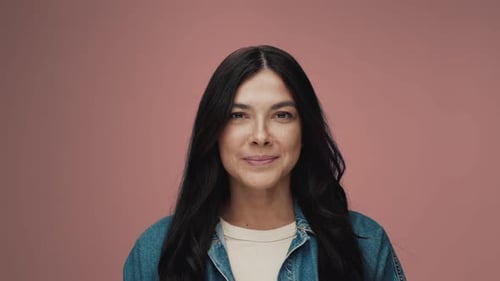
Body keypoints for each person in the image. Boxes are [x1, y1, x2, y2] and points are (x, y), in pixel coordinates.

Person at [123, 45, 406, 281]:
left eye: (281, 115)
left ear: (304, 129)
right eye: (238, 115)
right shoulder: (155, 251)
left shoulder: (365, 243)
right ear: (214, 131)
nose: (260, 136)